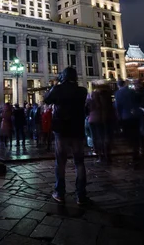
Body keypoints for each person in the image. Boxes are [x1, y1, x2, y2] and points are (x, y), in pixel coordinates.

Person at [44, 67, 91, 205]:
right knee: (79, 162)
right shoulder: (82, 91)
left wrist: (56, 84)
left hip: (61, 130)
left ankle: (60, 192)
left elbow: (47, 99)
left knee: (61, 162)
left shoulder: (58, 89)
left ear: (63, 77)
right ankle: (81, 195)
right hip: (77, 130)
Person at [87, 83, 116, 163]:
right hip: (107, 118)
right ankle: (107, 155)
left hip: (94, 118)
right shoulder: (108, 95)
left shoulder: (92, 95)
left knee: (97, 138)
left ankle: (100, 156)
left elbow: (87, 107)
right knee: (107, 137)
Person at [115, 79, 140, 164]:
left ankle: (133, 150)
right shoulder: (131, 91)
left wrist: (119, 117)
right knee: (136, 134)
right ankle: (137, 150)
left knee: (129, 135)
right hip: (135, 115)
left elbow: (118, 106)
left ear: (118, 85)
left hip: (125, 117)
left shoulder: (118, 93)